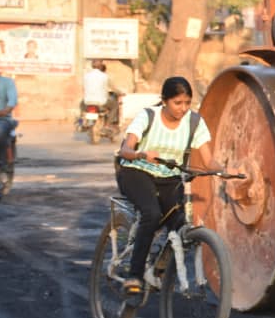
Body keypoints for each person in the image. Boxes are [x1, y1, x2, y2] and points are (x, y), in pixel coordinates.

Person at [115, 77, 214, 302]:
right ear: (164, 101)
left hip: (170, 178)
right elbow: (125, 150)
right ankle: (134, 277)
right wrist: (143, 154)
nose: (183, 108)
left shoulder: (194, 122)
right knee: (152, 214)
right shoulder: (148, 116)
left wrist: (227, 170)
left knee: (181, 225)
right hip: (136, 172)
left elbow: (209, 161)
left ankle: (158, 268)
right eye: (177, 102)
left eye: (187, 102)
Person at [82, 60, 120, 127]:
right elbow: (113, 87)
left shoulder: (86, 76)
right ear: (101, 66)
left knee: (82, 106)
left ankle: (82, 121)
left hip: (87, 101)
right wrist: (120, 92)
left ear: (92, 66)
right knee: (115, 106)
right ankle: (107, 125)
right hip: (101, 101)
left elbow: (84, 88)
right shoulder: (104, 76)